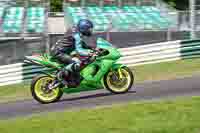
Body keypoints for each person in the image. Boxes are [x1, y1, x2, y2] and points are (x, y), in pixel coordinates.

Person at [50, 19, 95, 87]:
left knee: (79, 62)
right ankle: (60, 75)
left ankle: (71, 80)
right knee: (76, 62)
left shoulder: (77, 35)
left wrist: (95, 48)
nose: (91, 30)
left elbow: (84, 46)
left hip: (60, 52)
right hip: (58, 53)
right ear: (84, 29)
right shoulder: (77, 36)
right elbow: (79, 50)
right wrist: (89, 53)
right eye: (89, 29)